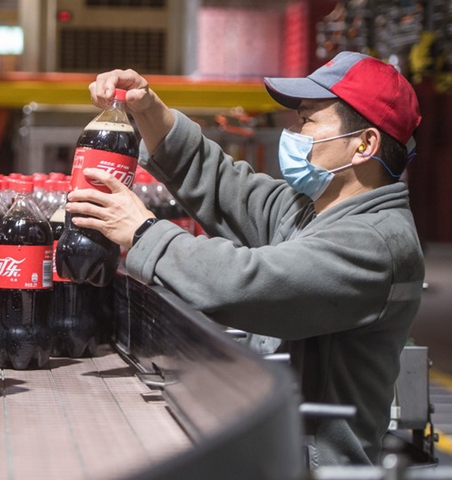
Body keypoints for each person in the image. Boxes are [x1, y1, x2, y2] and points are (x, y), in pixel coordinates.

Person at [66, 51, 424, 468]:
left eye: (307, 120)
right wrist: (148, 109)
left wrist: (144, 232)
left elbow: (250, 283)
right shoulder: (313, 210)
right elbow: (223, 184)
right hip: (274, 454)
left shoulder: (376, 243)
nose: (294, 130)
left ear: (364, 144)